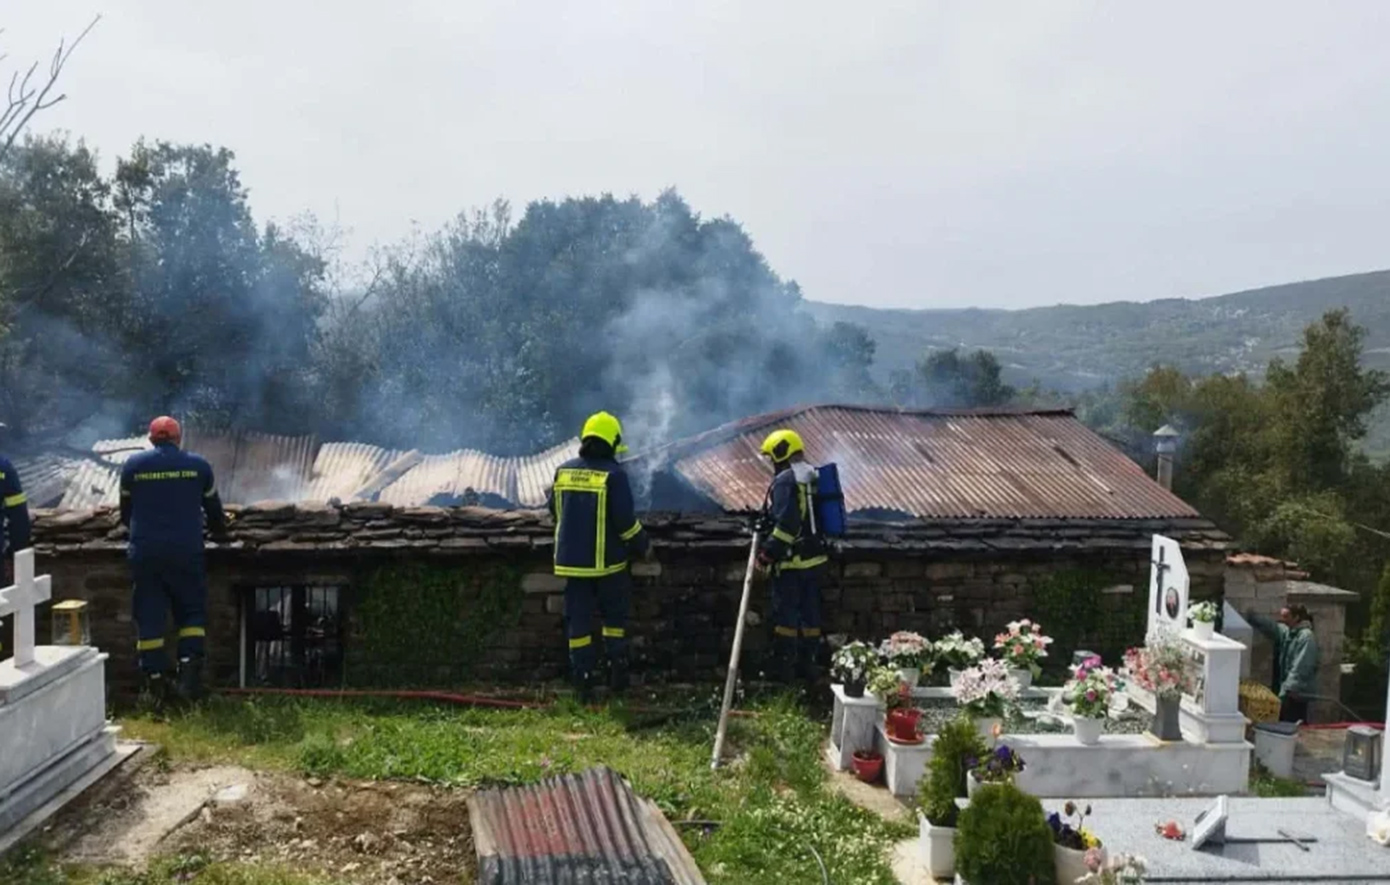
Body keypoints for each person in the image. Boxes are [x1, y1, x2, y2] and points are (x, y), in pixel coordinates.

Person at [120, 416, 227, 703]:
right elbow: (214, 512)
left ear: (151, 439)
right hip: (186, 552)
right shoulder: (198, 466)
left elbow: (125, 513)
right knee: (191, 615)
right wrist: (221, 532)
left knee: (149, 616)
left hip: (145, 554)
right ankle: (189, 681)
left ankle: (154, 684)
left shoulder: (133, 466)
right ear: (179, 438)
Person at [546, 411, 651, 702]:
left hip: (572, 566)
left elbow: (554, 511)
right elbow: (626, 524)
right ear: (612, 443)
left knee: (578, 624)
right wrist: (643, 544)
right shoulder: (614, 476)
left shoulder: (563, 471)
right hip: (609, 566)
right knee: (614, 621)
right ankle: (617, 676)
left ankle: (582, 681)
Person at [756, 429, 829, 685]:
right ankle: (810, 669)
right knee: (810, 618)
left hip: (792, 564)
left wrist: (767, 554)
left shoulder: (786, 480)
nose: (771, 464)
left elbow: (786, 525)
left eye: (771, 457)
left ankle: (784, 672)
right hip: (816, 561)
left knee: (785, 618)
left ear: (780, 453)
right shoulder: (812, 475)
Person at [1246, 603, 1319, 723]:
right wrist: (1253, 618)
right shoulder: (1288, 632)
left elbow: (1301, 667)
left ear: (1296, 618)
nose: (1282, 619)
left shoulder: (1306, 637)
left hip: (1297, 693)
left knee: (1293, 724)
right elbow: (1273, 627)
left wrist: (1286, 690)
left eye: (1286, 616)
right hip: (1287, 691)